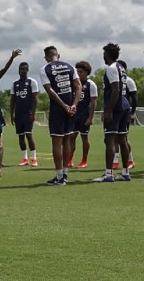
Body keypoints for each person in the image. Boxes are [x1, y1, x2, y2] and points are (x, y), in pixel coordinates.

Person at [39, 45, 82, 185]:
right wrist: (74, 104)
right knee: (67, 140)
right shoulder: (70, 67)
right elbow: (78, 86)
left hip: (58, 109)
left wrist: (63, 106)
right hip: (71, 107)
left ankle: (58, 177)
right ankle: (65, 174)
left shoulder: (44, 69)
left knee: (57, 142)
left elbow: (50, 90)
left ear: (46, 57)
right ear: (59, 55)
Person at [94, 43, 131, 182]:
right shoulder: (121, 67)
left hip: (116, 106)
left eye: (104, 54)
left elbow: (115, 89)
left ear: (107, 55)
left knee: (110, 139)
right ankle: (125, 172)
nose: (103, 56)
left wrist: (109, 110)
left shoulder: (111, 68)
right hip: (124, 104)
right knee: (122, 139)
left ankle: (109, 174)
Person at [68, 61, 97, 169]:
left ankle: (84, 160)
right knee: (71, 137)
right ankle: (70, 159)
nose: (79, 74)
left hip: (85, 115)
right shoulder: (74, 84)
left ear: (86, 72)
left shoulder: (91, 84)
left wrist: (90, 117)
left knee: (84, 138)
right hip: (74, 115)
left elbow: (93, 101)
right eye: (78, 71)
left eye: (81, 72)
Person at [10, 62, 39, 166]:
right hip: (18, 114)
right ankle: (25, 158)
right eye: (20, 69)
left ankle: (34, 158)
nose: (22, 71)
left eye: (24, 69)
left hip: (28, 113)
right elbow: (12, 100)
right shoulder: (15, 84)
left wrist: (33, 113)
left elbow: (35, 99)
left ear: (27, 70)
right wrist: (11, 114)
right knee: (20, 136)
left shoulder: (32, 82)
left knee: (29, 135)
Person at [112, 59, 137, 169]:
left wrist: (132, 112)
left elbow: (134, 98)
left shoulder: (129, 81)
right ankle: (115, 160)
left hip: (125, 112)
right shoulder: (113, 80)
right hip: (115, 112)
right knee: (114, 137)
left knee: (123, 137)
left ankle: (130, 160)